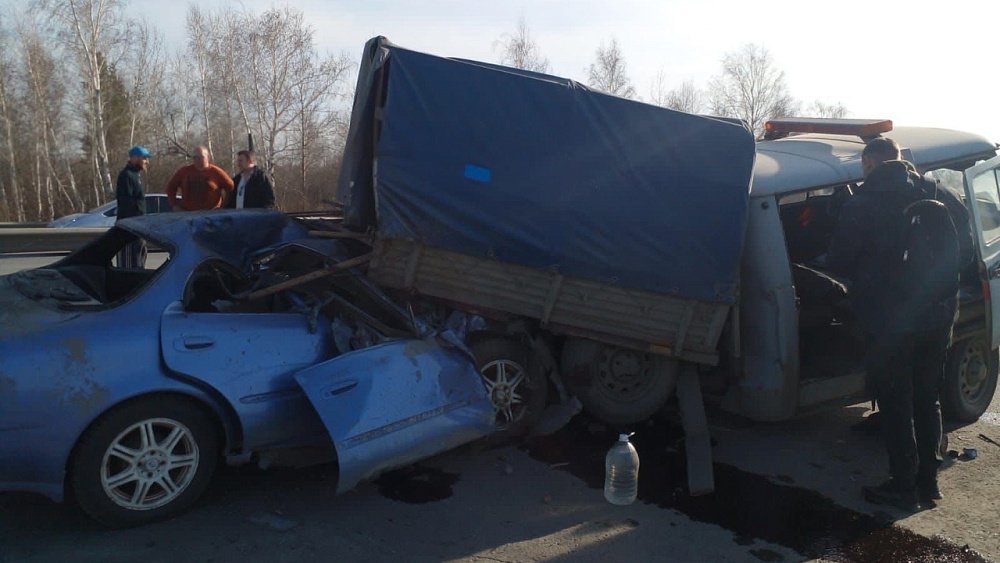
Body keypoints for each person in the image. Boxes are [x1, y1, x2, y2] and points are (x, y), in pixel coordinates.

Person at [826, 137, 965, 511]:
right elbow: (964, 247)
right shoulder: (939, 192)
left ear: (870, 163)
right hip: (938, 317)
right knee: (927, 397)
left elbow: (839, 258)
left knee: (896, 402)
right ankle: (929, 483)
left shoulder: (863, 203)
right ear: (901, 160)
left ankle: (903, 487)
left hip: (891, 323)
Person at [165, 145, 234, 211]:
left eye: (201, 157)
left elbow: (231, 188)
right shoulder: (184, 171)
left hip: (211, 215)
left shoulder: (216, 172)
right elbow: (170, 188)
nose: (197, 159)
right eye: (195, 157)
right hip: (188, 214)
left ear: (208, 157)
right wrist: (175, 206)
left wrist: (223, 206)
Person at [115, 145, 151, 269]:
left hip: (139, 228)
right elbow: (127, 204)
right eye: (144, 158)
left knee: (139, 261)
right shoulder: (126, 176)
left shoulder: (136, 175)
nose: (147, 161)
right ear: (135, 158)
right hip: (129, 230)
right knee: (129, 265)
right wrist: (131, 226)